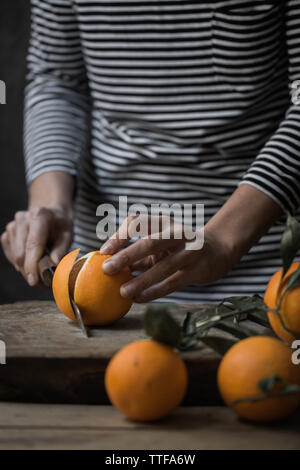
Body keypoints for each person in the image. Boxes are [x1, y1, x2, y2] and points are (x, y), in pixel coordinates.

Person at [1, 0, 300, 303]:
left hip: (266, 279)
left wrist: (224, 240)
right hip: (105, 270)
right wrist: (51, 205)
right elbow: (58, 81)